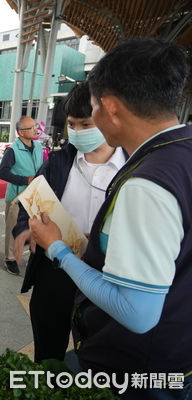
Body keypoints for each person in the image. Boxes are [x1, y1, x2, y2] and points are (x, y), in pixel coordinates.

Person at [29, 38, 192, 398]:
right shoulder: (182, 153)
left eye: (93, 109)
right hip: (177, 354)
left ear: (111, 108)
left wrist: (59, 249)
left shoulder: (147, 183)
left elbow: (136, 312)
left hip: (136, 370)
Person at [12, 82, 126, 363]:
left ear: (108, 118)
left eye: (85, 124)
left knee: (97, 359)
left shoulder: (132, 168)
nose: (77, 131)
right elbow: (32, 202)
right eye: (72, 124)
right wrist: (24, 228)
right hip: (55, 273)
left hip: (105, 278)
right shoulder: (59, 162)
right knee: (48, 354)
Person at [0, 116, 43, 275]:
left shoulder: (38, 147)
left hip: (35, 196)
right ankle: (10, 259)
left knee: (35, 227)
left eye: (35, 126)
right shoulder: (12, 150)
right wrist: (25, 179)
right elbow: (3, 173)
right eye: (31, 127)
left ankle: (32, 255)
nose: (35, 129)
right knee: (13, 229)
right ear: (21, 132)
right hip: (17, 198)